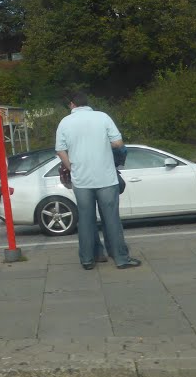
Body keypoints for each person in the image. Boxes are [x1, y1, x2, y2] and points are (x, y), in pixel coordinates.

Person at [55, 92, 140, 271]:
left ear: (72, 105)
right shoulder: (102, 117)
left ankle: (88, 259)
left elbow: (60, 150)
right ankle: (121, 258)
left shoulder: (65, 122)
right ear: (87, 104)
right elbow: (118, 143)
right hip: (106, 177)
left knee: (86, 220)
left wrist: (71, 167)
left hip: (82, 180)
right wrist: (101, 146)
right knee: (112, 219)